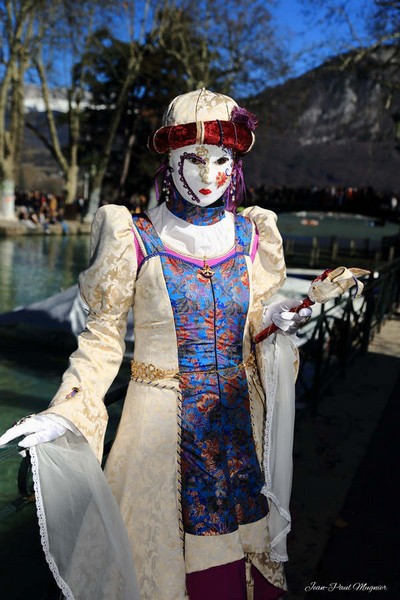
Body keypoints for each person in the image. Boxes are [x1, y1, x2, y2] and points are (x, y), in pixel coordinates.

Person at [0, 88, 311, 600]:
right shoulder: (134, 238)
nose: (209, 175)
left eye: (221, 160)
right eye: (194, 159)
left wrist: (276, 321)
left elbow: (251, 323)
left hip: (239, 434)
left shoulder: (252, 236)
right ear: (170, 160)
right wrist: (66, 411)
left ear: (235, 164)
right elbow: (101, 338)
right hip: (158, 441)